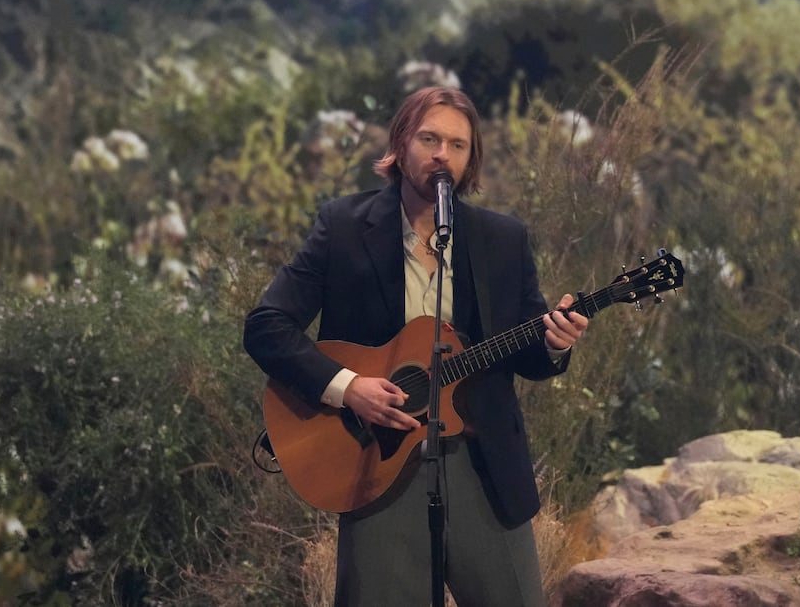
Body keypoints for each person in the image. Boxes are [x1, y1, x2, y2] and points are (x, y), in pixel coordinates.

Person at [244, 86, 588, 607]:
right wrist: (349, 387)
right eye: (429, 138)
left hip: (483, 467)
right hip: (376, 463)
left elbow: (528, 354)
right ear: (402, 143)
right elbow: (267, 326)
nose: (441, 155)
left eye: (457, 144)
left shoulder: (502, 239)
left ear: (471, 159)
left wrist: (555, 345)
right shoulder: (342, 227)